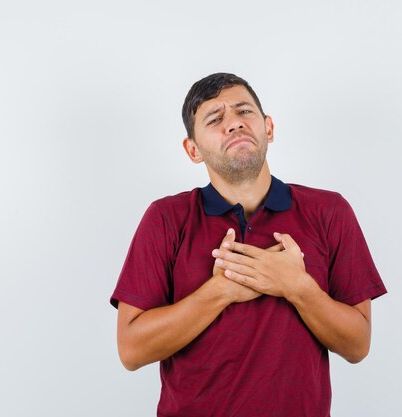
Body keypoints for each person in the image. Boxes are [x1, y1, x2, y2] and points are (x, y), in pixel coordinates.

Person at [110, 72, 387, 417]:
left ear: (268, 128)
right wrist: (221, 291)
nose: (234, 124)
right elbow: (131, 351)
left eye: (244, 112)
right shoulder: (166, 218)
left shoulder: (329, 211)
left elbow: (357, 345)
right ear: (193, 150)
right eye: (215, 118)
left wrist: (298, 287)